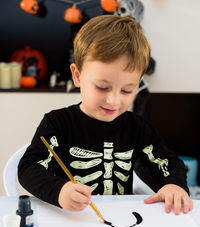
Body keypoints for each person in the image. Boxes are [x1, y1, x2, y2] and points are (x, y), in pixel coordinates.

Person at [18, 15, 193, 215]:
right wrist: (59, 190)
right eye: (102, 87)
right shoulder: (57, 123)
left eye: (127, 90)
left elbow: (169, 161)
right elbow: (29, 168)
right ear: (77, 76)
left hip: (123, 221)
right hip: (71, 221)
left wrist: (174, 185)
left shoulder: (137, 128)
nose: (114, 101)